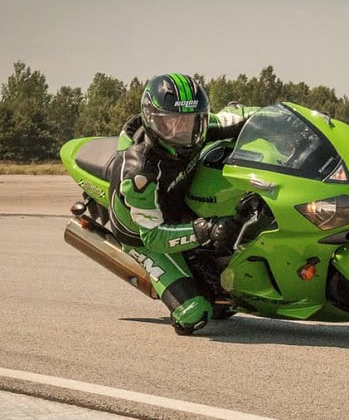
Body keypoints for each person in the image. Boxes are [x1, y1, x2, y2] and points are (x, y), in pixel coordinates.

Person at [108, 73, 259, 334]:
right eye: (170, 124)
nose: (182, 132)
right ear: (151, 120)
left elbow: (247, 115)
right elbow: (153, 235)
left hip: (178, 202)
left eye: (190, 122)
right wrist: (207, 229)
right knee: (195, 314)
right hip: (142, 232)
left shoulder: (199, 127)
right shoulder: (140, 171)